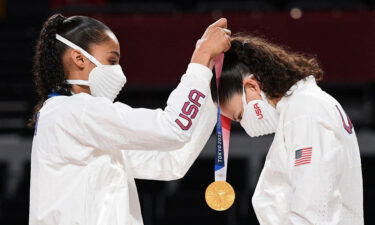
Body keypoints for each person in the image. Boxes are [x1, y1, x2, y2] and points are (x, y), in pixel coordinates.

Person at [29, 13, 231, 225]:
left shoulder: (73, 118)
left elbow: (171, 162)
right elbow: (173, 128)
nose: (119, 72)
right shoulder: (77, 111)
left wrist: (210, 89)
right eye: (111, 61)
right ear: (79, 58)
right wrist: (201, 57)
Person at [212, 35, 363, 224]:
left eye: (240, 115)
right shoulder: (305, 106)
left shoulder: (305, 112)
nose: (244, 124)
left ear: (252, 86)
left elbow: (312, 213)